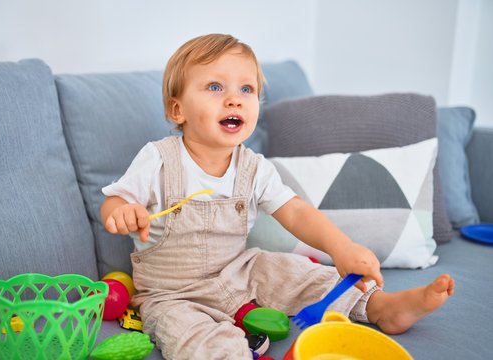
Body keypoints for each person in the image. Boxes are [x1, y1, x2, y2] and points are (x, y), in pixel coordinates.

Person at [100, 33, 455, 359]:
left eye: (247, 89)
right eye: (214, 86)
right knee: (191, 335)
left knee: (298, 272)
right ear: (178, 110)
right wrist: (122, 211)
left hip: (238, 273)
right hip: (172, 293)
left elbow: (296, 212)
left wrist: (341, 247)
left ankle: (380, 307)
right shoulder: (158, 159)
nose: (234, 99)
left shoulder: (253, 168)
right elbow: (115, 201)